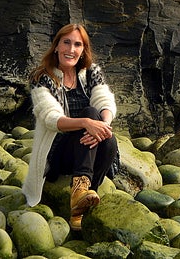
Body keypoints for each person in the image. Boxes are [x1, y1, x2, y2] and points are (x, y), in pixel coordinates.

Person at [22, 23, 118, 231]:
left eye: (77, 44)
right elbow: (51, 118)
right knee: (90, 114)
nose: (71, 50)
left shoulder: (91, 72)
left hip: (88, 147)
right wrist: (86, 123)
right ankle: (81, 191)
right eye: (66, 43)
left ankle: (82, 199)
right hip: (58, 153)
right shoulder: (41, 78)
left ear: (83, 50)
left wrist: (102, 128)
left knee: (109, 139)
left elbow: (105, 101)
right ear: (56, 46)